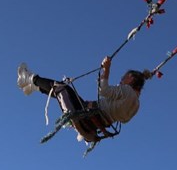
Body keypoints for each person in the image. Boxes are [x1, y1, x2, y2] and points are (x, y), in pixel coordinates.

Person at [17, 57, 147, 140]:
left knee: (62, 88)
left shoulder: (127, 91)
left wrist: (106, 70)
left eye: (124, 77)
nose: (121, 80)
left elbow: (104, 90)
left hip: (87, 114)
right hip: (93, 125)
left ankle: (30, 78)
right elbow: (121, 118)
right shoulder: (136, 106)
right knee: (64, 94)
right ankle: (34, 87)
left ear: (131, 78)